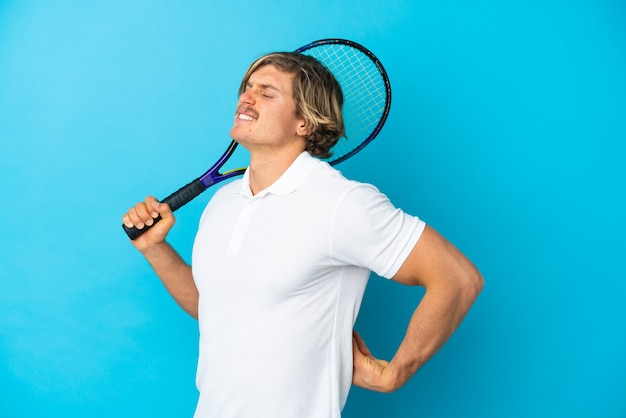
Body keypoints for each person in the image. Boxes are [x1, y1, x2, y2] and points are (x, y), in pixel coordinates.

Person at [122, 51, 483, 418]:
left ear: (304, 123)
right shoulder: (223, 203)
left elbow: (457, 278)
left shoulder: (342, 203)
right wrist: (155, 249)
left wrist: (394, 374)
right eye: (247, 88)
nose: (246, 97)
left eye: (267, 92)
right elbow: (216, 309)